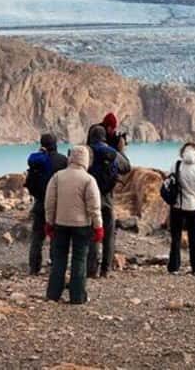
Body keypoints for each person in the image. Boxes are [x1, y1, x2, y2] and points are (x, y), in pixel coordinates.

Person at [44, 145, 103, 304]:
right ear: (86, 160)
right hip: (82, 226)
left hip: (60, 223)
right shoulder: (88, 180)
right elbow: (94, 207)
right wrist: (98, 226)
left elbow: (50, 203)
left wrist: (49, 222)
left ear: (70, 158)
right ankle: (77, 296)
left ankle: (53, 294)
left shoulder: (57, 177)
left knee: (59, 259)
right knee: (79, 260)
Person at [85, 124, 126, 278]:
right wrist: (120, 149)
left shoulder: (86, 151)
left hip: (90, 197)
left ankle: (91, 269)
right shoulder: (111, 152)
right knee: (109, 234)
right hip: (107, 197)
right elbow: (126, 167)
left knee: (93, 232)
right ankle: (106, 269)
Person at [25, 133, 68, 275]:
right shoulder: (63, 160)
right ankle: (55, 266)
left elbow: (30, 182)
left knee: (37, 237)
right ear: (55, 144)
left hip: (40, 203)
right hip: (57, 204)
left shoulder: (37, 161)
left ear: (42, 144)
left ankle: (34, 268)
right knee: (56, 235)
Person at [165, 142, 195, 275]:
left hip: (177, 206)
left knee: (176, 237)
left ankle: (174, 267)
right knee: (194, 239)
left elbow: (169, 181)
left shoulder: (176, 165)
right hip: (192, 207)